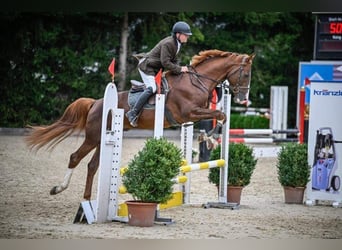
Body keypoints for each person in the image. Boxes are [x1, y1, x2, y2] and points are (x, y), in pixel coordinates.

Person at [126, 21, 192, 127]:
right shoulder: (168, 43)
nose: (187, 37)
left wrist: (180, 70)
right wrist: (179, 69)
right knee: (152, 88)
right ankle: (133, 113)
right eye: (185, 35)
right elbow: (165, 62)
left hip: (155, 68)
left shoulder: (177, 44)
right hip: (146, 67)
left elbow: (173, 61)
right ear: (178, 34)